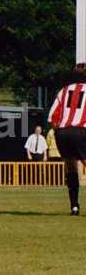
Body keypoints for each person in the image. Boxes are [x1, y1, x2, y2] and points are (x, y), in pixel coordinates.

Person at [48, 62, 86, 215]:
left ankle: (74, 206)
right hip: (81, 130)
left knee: (70, 167)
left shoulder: (63, 91)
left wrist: (60, 131)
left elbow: (52, 118)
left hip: (63, 132)